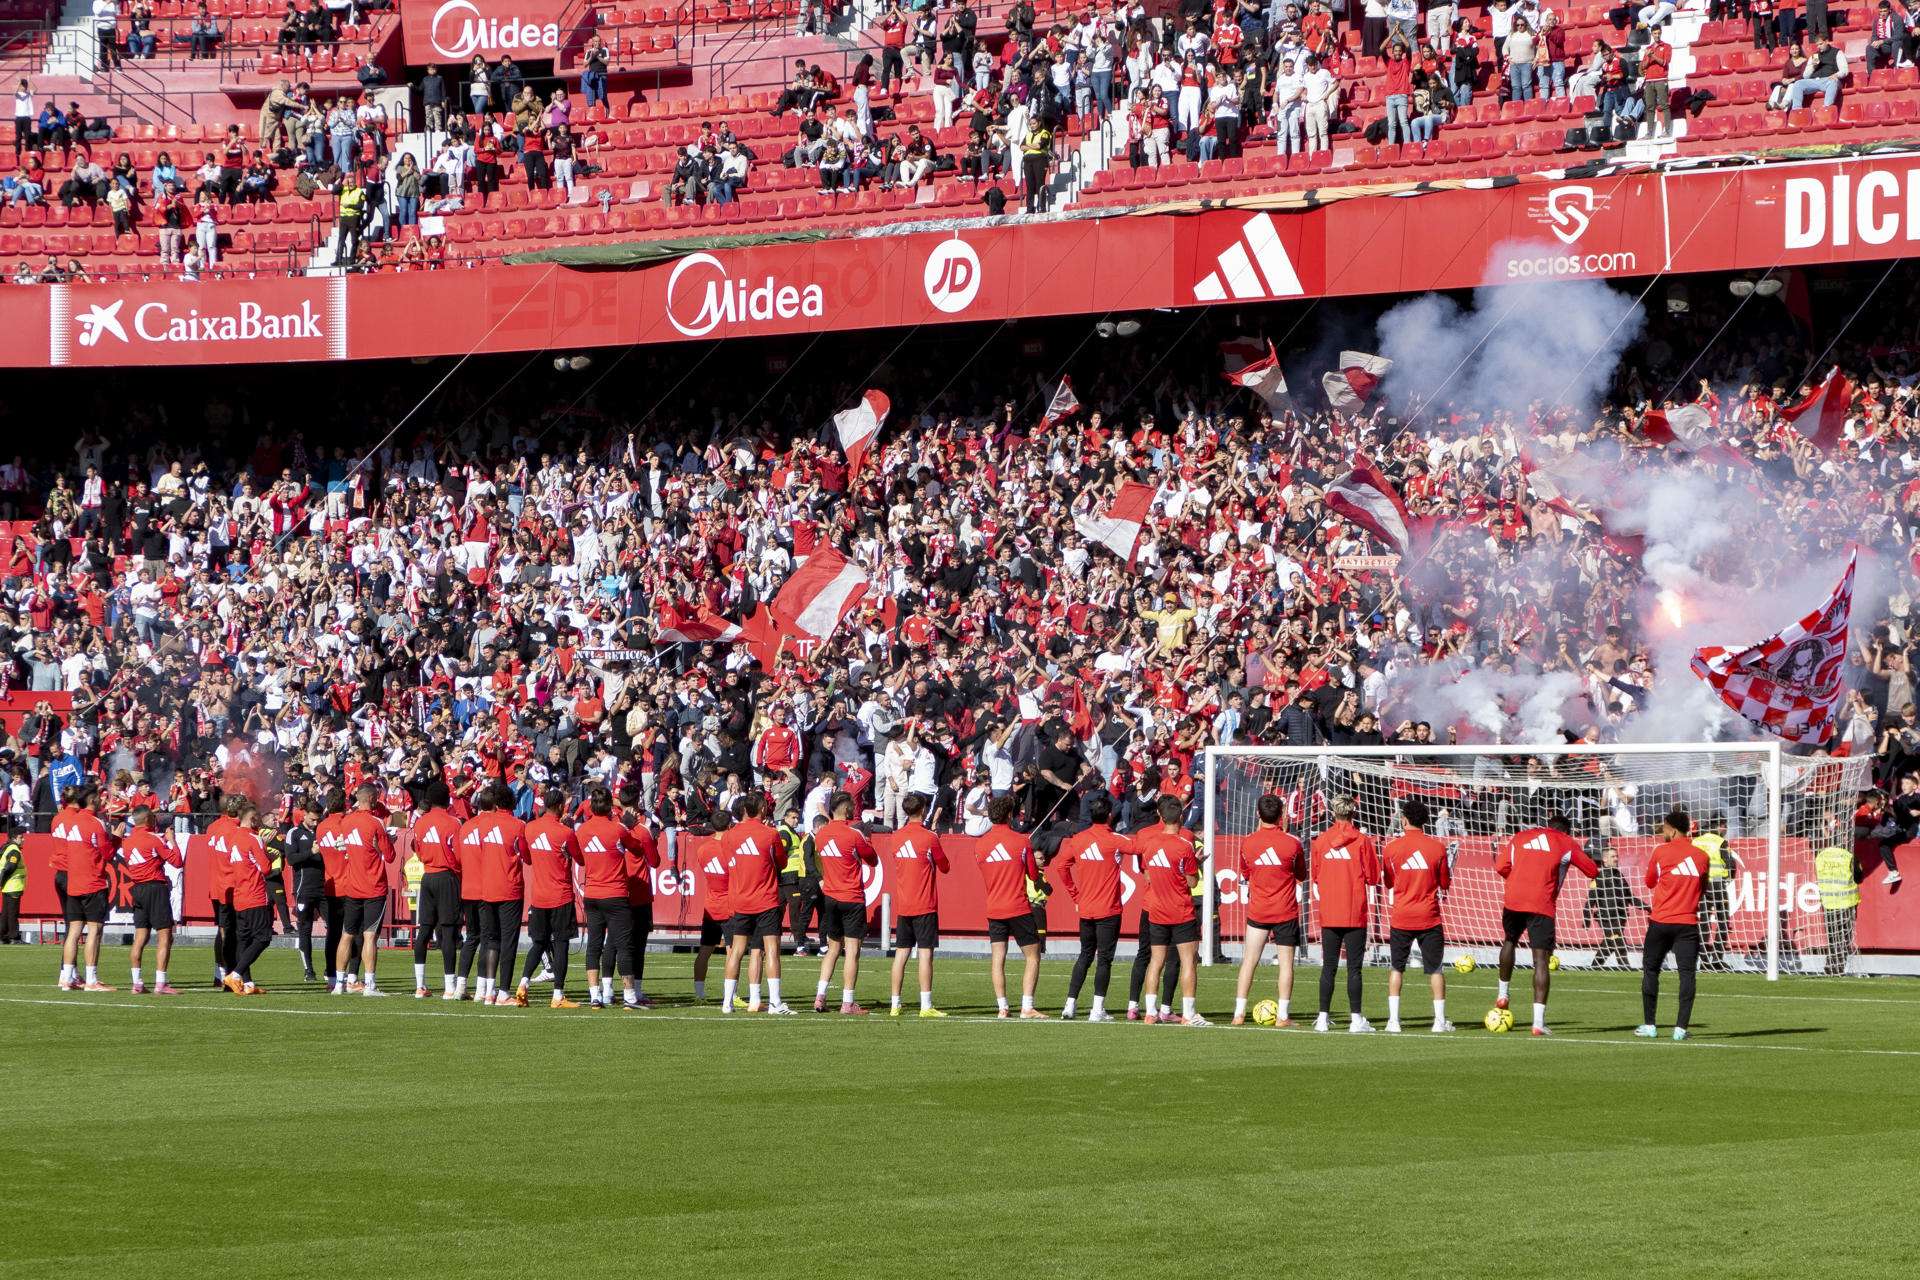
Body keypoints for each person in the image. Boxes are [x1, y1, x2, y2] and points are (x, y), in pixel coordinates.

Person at [1493, 812, 1598, 1036]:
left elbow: (1500, 866)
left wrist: (1520, 877)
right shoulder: (1566, 842)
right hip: (1541, 904)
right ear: (1566, 831)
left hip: (1513, 899)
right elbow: (1592, 870)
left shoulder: (1521, 836)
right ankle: (1538, 1023)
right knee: (1540, 960)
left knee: (1509, 941)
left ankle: (1503, 994)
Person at [1135, 796, 1209, 1027]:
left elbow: (1147, 873)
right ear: (1182, 817)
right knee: (1188, 962)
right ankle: (1188, 1014)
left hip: (1156, 910)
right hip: (1180, 911)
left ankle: (1150, 1013)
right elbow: (1191, 881)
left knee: (1155, 962)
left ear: (1160, 815)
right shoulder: (1185, 846)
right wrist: (1196, 864)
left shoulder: (1149, 844)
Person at [1232, 793, 1305, 1026]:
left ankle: (1238, 1014)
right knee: (1286, 965)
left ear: (1257, 814)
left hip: (1258, 911)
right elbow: (1301, 874)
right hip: (1285, 911)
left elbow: (1245, 873)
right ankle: (1282, 1016)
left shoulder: (1248, 842)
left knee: (1249, 961)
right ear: (1282, 815)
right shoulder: (1292, 843)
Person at [1381, 798, 1453, 1034]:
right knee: (1435, 969)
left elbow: (1389, 882)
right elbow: (1444, 883)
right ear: (1425, 821)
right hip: (1429, 916)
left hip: (1402, 916)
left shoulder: (1391, 848)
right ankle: (1439, 1022)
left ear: (1404, 820)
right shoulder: (1437, 848)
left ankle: (1393, 1021)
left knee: (1396, 967)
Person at [1055, 791, 1129, 1022]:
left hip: (1086, 909)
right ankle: (1097, 1009)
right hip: (1108, 910)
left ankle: (1070, 1004)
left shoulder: (1077, 840)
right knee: (1104, 958)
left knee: (1085, 955)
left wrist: (1076, 895)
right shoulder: (1116, 839)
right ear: (1109, 816)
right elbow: (1141, 847)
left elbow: (1060, 867)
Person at [1636, 809, 1707, 1041]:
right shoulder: (1701, 856)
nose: (1662, 832)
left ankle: (1650, 1025)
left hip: (1661, 922)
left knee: (1651, 970)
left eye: (1664, 828)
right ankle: (1680, 1029)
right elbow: (1703, 889)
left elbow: (1649, 882)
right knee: (1687, 975)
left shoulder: (1661, 852)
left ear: (1673, 830)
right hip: (1687, 923)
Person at [1310, 795, 1379, 1033]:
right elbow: (1373, 877)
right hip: (1353, 912)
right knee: (1354, 968)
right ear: (1353, 813)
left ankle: (1322, 1019)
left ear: (1333, 813)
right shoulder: (1361, 841)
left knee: (1328, 966)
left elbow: (1315, 875)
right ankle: (1356, 1020)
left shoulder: (1321, 841)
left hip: (1329, 911)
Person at [720, 793, 793, 1014]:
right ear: (761, 809)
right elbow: (782, 861)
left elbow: (728, 862)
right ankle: (775, 1003)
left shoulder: (729, 836)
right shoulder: (770, 834)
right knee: (771, 950)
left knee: (736, 951)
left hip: (741, 899)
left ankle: (727, 1002)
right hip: (766, 900)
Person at [976, 795, 1047, 1019]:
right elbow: (1033, 874)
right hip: (1018, 907)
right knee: (1033, 956)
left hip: (994, 908)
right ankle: (1027, 1007)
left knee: (998, 958)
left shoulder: (980, 844)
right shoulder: (1021, 841)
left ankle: (1002, 1007)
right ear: (1009, 815)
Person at [879, 792, 949, 1016]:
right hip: (925, 904)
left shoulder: (896, 837)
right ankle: (926, 1005)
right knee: (926, 954)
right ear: (923, 810)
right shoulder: (929, 837)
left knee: (901, 954)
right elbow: (945, 866)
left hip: (904, 904)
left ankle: (894, 1004)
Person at [462, 784, 530, 1007]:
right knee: (508, 942)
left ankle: (489, 992)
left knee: (490, 940)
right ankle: (503, 993)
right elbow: (526, 856)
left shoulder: (480, 824)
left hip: (486, 888)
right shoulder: (518, 825)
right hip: (509, 889)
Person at [812, 791, 878, 1014]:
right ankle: (847, 1002)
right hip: (851, 896)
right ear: (847, 809)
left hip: (830, 896)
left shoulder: (821, 835)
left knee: (832, 949)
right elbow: (873, 859)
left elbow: (819, 860)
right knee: (852, 951)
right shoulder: (854, 834)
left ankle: (820, 996)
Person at [519, 788, 583, 1009]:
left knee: (538, 943)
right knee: (562, 945)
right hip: (560, 896)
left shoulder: (530, 828)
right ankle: (557, 995)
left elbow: (526, 858)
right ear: (559, 807)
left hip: (539, 896)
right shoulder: (565, 832)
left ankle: (523, 984)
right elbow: (581, 859)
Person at [577, 787, 639, 1009]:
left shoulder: (583, 830)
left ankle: (596, 995)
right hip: (615, 893)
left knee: (594, 945)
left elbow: (580, 858)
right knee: (623, 946)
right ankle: (630, 995)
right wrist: (630, 825)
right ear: (610, 807)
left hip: (592, 893)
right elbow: (637, 849)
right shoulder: (617, 830)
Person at [332, 783, 395, 997]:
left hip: (352, 886)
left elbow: (345, 847)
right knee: (369, 936)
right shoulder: (376, 822)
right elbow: (391, 855)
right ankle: (369, 985)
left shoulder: (346, 821)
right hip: (373, 887)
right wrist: (382, 845)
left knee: (346, 934)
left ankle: (339, 984)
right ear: (373, 798)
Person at [55, 785, 116, 992]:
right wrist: (115, 837)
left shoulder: (71, 822)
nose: (100, 800)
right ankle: (91, 979)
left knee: (73, 931)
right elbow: (107, 853)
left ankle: (67, 977)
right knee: (95, 930)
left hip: (74, 882)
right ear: (91, 800)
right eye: (97, 797)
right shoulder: (94, 823)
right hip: (92, 882)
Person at [119, 805, 182, 995]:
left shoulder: (127, 842)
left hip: (137, 889)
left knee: (140, 937)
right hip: (155, 888)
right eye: (153, 817)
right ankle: (161, 983)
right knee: (165, 935)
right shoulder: (153, 839)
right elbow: (177, 861)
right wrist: (172, 841)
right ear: (147, 819)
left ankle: (137, 983)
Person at [408, 781, 463, 1000]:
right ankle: (449, 987)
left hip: (427, 876)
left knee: (424, 930)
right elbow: (458, 856)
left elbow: (418, 851)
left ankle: (420, 985)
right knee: (448, 931)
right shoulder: (454, 823)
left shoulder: (420, 823)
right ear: (448, 799)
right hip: (447, 876)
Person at [222, 800, 276, 995]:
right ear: (253, 819)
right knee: (263, 938)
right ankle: (235, 975)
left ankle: (248, 984)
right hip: (255, 895)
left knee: (244, 940)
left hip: (240, 896)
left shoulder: (233, 837)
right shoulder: (255, 839)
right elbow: (266, 868)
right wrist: (266, 848)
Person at [1582, 844, 1646, 969]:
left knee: (1609, 944)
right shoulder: (1598, 878)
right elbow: (1590, 901)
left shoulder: (1619, 876)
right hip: (1606, 918)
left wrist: (1646, 907)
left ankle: (1594, 968)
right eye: (1613, 856)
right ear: (1604, 859)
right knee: (1619, 941)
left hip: (1621, 917)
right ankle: (1625, 968)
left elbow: (1629, 897)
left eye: (1616, 856)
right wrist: (1586, 919)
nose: (1616, 859)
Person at [692, 810, 732, 1003]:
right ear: (730, 826)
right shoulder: (730, 848)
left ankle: (699, 993)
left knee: (705, 951)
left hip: (711, 905)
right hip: (730, 905)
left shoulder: (703, 849)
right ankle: (731, 994)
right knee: (733, 952)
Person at [1691, 822, 1743, 967]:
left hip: (1700, 885)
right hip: (1717, 884)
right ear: (1719, 826)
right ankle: (1717, 958)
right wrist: (1730, 878)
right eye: (1724, 825)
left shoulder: (1696, 841)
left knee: (1704, 920)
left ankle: (1703, 959)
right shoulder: (1720, 841)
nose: (1725, 829)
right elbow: (1730, 863)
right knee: (1722, 920)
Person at [286, 805, 325, 982]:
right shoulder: (294, 833)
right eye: (312, 819)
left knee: (335, 927)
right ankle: (308, 970)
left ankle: (331, 969)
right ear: (304, 816)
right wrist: (311, 852)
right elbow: (291, 859)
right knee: (305, 929)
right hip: (304, 888)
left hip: (325, 887)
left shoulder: (323, 831)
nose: (315, 823)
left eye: (318, 819)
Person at [1813, 841, 1863, 975]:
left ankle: (1830, 965)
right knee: (1844, 935)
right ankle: (1839, 966)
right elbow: (1859, 877)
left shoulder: (1820, 856)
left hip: (1829, 902)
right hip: (1846, 901)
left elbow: (1818, 874)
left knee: (1832, 937)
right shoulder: (1848, 856)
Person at [776, 805, 820, 956]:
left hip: (787, 875)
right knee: (795, 907)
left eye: (797, 818)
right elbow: (781, 852)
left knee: (780, 907)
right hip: (789, 875)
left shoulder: (791, 832)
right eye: (793, 818)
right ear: (786, 818)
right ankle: (798, 940)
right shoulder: (784, 832)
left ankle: (773, 937)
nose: (796, 820)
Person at [0, 824, 23, 944]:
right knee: (13, 913)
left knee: (5, 913)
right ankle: (13, 936)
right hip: (13, 886)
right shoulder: (14, 850)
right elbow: (10, 867)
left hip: (7, 886)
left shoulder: (6, 847)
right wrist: (3, 880)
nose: (23, 839)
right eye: (21, 837)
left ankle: (3, 936)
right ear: (14, 838)